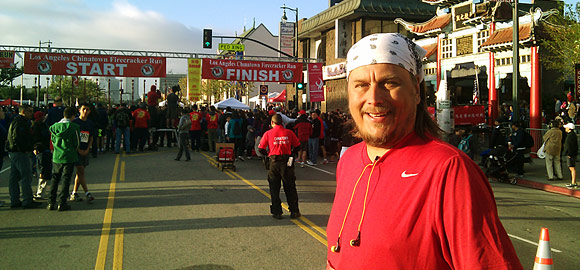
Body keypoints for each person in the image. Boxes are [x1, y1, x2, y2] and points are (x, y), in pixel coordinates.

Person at [326, 33, 522, 269]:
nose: (374, 98)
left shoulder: (449, 170)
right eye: (361, 85)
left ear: (417, 92)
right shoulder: (348, 162)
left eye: (390, 83)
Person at [258, 114, 301, 219]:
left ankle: (277, 211)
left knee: (274, 188)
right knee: (290, 187)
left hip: (274, 161)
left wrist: (268, 154)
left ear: (272, 123)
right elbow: (298, 146)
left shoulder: (268, 133)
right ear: (282, 122)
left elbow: (261, 148)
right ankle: (294, 210)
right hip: (287, 162)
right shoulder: (289, 133)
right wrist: (291, 154)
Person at [7, 105, 43, 209]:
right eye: (30, 111)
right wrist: (27, 147)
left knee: (14, 177)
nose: (32, 113)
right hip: (20, 151)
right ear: (24, 112)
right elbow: (19, 138)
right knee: (26, 176)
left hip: (14, 151)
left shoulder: (16, 121)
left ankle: (14, 199)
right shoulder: (20, 123)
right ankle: (27, 200)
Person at [48, 107, 80, 211]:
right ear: (73, 116)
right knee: (65, 179)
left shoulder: (54, 127)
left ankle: (51, 202)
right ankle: (62, 202)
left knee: (55, 179)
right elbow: (77, 143)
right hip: (69, 156)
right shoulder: (74, 127)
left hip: (57, 155)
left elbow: (52, 141)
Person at [70, 103, 96, 202]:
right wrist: (78, 149)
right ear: (79, 110)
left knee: (79, 173)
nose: (85, 111)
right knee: (81, 171)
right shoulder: (75, 122)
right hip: (76, 151)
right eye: (83, 109)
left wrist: (87, 149)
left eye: (87, 110)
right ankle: (87, 193)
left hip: (85, 150)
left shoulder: (90, 123)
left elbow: (91, 137)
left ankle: (74, 193)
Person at [32, 111, 52, 200]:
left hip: (41, 149)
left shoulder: (35, 125)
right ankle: (40, 193)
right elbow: (39, 137)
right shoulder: (40, 126)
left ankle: (40, 192)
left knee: (42, 170)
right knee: (43, 171)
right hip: (42, 149)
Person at [563, 123, 578, 189]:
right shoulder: (573, 135)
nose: (565, 128)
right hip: (572, 154)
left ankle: (573, 182)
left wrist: (569, 153)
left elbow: (570, 146)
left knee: (572, 168)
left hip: (571, 154)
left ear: (569, 128)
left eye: (566, 127)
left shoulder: (570, 136)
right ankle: (573, 182)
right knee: (572, 168)